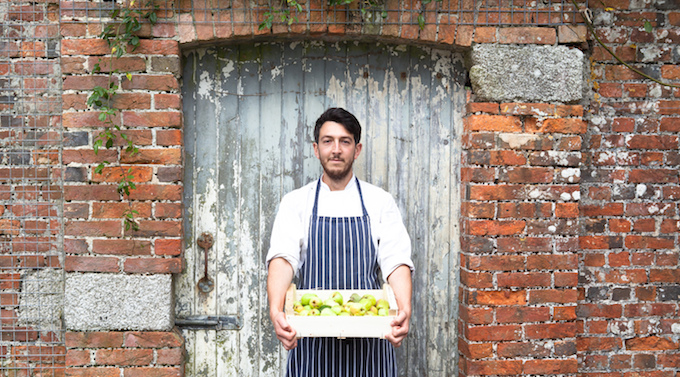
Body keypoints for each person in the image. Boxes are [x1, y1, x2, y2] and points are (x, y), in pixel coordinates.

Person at [265, 107, 414, 377]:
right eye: (328, 141)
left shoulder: (379, 201)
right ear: (316, 148)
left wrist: (404, 308)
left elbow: (395, 260)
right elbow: (283, 258)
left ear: (356, 150)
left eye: (344, 141)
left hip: (370, 343)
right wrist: (276, 310)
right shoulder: (296, 202)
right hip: (312, 342)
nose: (336, 149)